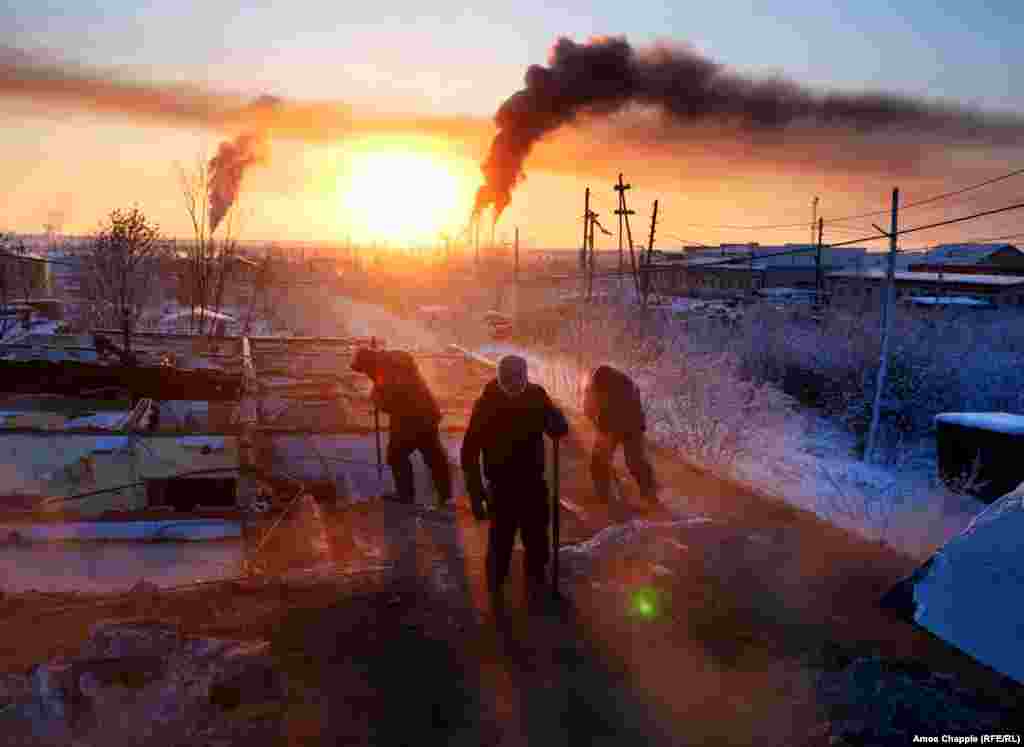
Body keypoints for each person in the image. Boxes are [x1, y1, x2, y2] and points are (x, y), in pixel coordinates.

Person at [461, 354, 569, 613]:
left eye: (517, 384)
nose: (512, 389)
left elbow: (558, 428)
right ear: (499, 380)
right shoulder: (486, 404)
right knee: (501, 541)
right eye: (507, 384)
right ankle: (495, 594)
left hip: (532, 481)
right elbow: (469, 452)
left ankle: (536, 584)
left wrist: (557, 420)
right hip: (502, 484)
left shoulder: (535, 395)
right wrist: (476, 495)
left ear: (525, 378)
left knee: (537, 539)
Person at [350, 346, 453, 507]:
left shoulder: (383, 372)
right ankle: (446, 496)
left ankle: (406, 496)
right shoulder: (394, 359)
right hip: (426, 412)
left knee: (396, 455)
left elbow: (391, 401)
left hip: (408, 418)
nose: (365, 373)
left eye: (363, 369)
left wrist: (377, 398)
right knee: (433, 455)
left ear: (368, 364)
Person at [582, 364, 658, 508]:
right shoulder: (595, 386)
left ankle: (650, 494)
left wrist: (605, 436)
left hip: (630, 424)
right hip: (614, 420)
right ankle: (604, 495)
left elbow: (615, 422)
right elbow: (589, 409)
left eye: (600, 392)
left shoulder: (624, 392)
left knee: (634, 461)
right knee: (599, 461)